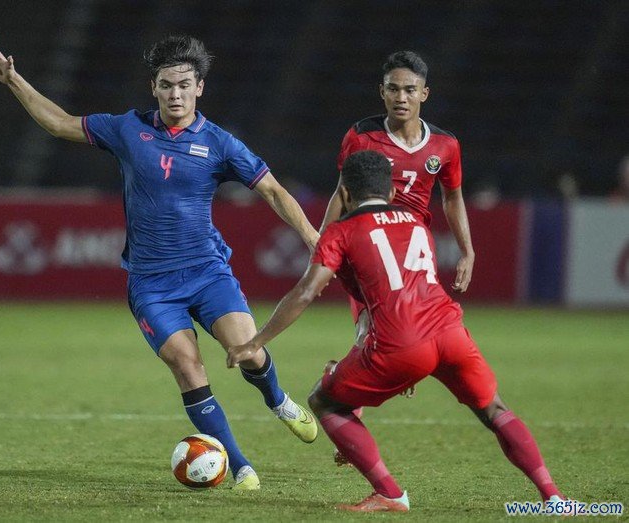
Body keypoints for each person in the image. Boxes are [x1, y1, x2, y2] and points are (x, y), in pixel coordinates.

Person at [0, 33, 319, 490]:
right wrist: (12, 78)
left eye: (183, 84)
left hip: (207, 272)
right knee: (187, 365)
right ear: (153, 88)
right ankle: (239, 466)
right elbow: (59, 123)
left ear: (199, 88)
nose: (175, 94)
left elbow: (273, 190)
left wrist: (313, 237)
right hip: (152, 284)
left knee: (248, 350)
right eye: (165, 85)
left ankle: (278, 401)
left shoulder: (220, 143)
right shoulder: (126, 129)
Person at [227, 151, 565, 512]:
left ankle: (389, 493)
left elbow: (307, 292)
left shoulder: (340, 232)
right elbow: (412, 291)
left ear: (344, 194)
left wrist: (256, 342)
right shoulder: (418, 223)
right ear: (390, 191)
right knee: (494, 409)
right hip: (451, 333)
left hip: (401, 344)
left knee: (323, 402)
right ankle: (553, 497)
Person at [321, 50, 475, 345]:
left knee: (426, 333)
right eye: (393, 89)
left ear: (424, 94)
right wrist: (324, 246)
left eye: (409, 90)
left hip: (413, 250)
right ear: (382, 92)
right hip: (369, 242)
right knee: (372, 332)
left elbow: (452, 196)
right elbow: (343, 192)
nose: (400, 97)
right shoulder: (362, 137)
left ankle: (397, 365)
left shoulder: (445, 145)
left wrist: (467, 251)